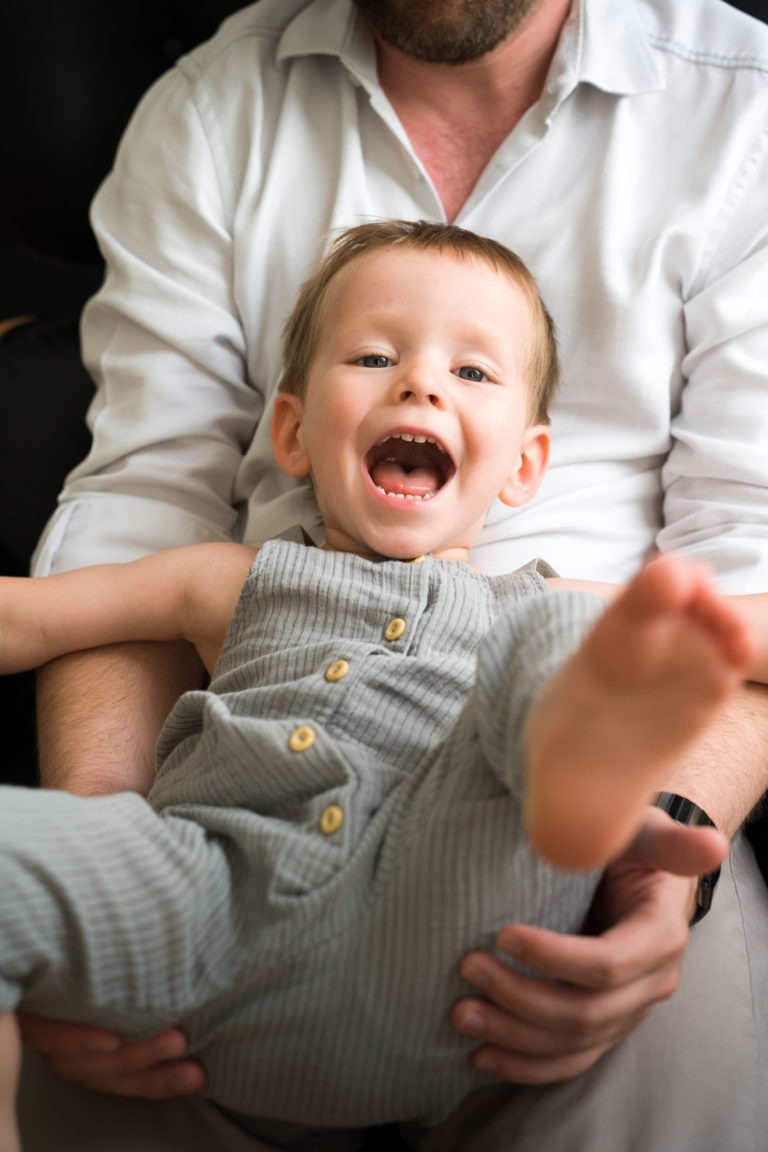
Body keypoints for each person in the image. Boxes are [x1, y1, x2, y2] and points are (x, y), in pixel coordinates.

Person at [24, 1, 768, 1149]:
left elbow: (737, 591)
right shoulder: (213, 108)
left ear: (528, 461)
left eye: (471, 372)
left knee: (568, 654)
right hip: (213, 835)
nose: (420, 389)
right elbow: (128, 524)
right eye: (373, 358)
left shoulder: (747, 110)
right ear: (290, 429)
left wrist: (661, 856)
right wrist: (99, 881)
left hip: (557, 833)